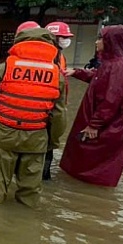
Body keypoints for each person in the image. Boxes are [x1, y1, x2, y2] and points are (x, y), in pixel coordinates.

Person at [0, 23, 65, 207]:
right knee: (30, 190)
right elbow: (59, 115)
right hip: (35, 139)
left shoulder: (5, 67)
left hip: (2, 135)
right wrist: (52, 142)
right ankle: (26, 226)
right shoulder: (56, 75)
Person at [59, 24, 123, 187]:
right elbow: (100, 78)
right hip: (117, 116)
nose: (96, 42)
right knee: (87, 148)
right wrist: (78, 72)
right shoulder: (115, 62)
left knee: (92, 148)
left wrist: (94, 125)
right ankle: (83, 181)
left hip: (117, 119)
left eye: (100, 38)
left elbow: (111, 99)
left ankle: (89, 185)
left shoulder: (119, 65)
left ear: (111, 41)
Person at [42, 20, 74, 180]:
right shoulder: (45, 56)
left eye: (66, 37)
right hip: (46, 108)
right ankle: (43, 177)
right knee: (46, 145)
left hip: (57, 105)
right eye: (62, 37)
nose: (65, 40)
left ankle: (45, 176)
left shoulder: (60, 56)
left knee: (50, 146)